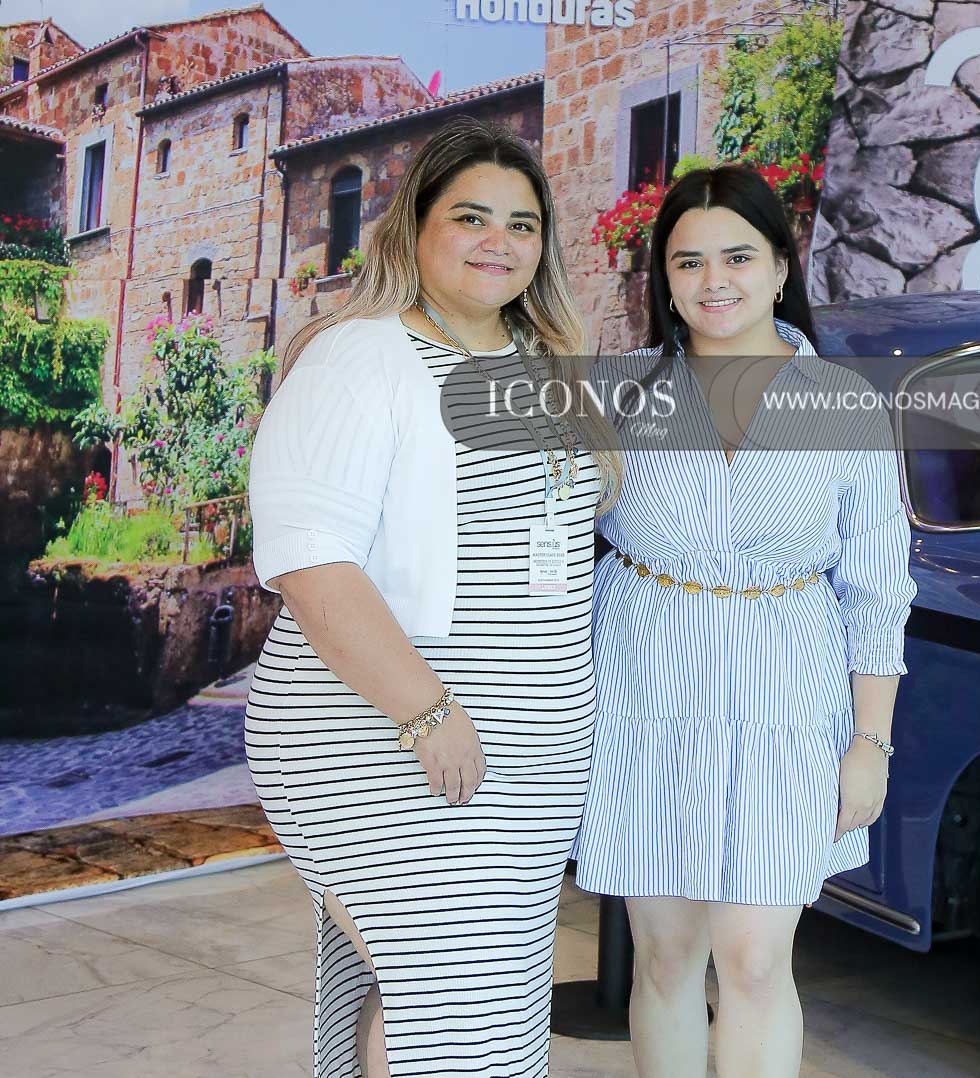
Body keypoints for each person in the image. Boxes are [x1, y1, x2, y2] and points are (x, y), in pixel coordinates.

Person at [245, 117, 618, 1078]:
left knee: (469, 1001)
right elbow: (311, 563)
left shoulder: (546, 366)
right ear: (415, 228)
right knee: (445, 998)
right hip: (392, 731)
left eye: (523, 224)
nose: (501, 241)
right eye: (471, 217)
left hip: (525, 758)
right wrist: (427, 711)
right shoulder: (360, 356)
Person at [573, 164, 918, 1078]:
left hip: (786, 697)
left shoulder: (844, 405)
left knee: (757, 959)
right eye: (687, 262)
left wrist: (870, 743)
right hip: (646, 691)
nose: (712, 281)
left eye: (736, 257)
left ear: (779, 266)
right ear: (664, 278)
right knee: (666, 957)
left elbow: (878, 590)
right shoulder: (621, 395)